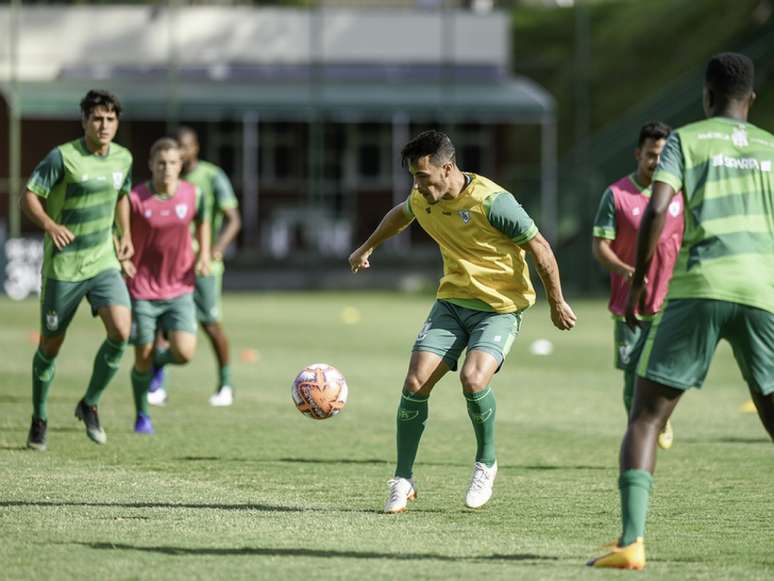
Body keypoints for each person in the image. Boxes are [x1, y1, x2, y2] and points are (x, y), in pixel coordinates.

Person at [588, 52, 774, 570]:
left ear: (707, 95)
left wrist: (642, 274)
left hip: (699, 286)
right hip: (764, 291)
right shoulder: (771, 147)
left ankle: (631, 543)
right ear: (750, 100)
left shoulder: (685, 141)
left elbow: (656, 205)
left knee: (647, 416)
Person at [349, 130, 577, 513]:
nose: (417, 186)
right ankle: (403, 479)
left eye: (423, 176)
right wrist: (366, 247)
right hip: (452, 303)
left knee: (473, 379)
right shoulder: (423, 198)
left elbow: (540, 246)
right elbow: (399, 216)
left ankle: (486, 464)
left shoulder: (494, 203)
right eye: (413, 178)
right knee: (415, 382)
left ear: (448, 168)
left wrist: (556, 301)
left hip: (499, 308)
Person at [22, 89, 133, 451]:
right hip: (65, 267)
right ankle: (39, 418)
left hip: (103, 262)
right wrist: (50, 225)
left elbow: (122, 197)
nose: (104, 125)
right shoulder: (63, 157)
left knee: (121, 330)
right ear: (84, 120)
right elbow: (29, 196)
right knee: (50, 347)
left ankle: (89, 403)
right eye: (97, 118)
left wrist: (125, 235)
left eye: (110, 119)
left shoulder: (123, 158)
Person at [592, 121, 683, 450]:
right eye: (650, 155)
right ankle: (641, 431)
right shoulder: (616, 195)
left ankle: (662, 417)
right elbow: (599, 247)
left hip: (671, 301)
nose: (655, 162)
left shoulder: (680, 195)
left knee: (666, 371)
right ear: (638, 154)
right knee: (632, 379)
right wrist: (627, 270)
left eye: (661, 155)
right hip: (628, 303)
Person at [146, 126, 241, 407]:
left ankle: (226, 384)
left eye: (185, 147)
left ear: (195, 148)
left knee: (210, 324)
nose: (180, 153)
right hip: (171, 265)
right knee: (162, 327)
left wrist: (217, 248)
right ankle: (157, 385)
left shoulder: (211, 176)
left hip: (203, 266)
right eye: (176, 148)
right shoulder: (166, 181)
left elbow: (234, 218)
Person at [121, 138, 210, 434]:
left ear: (180, 165)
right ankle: (142, 415)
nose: (167, 169)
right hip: (142, 289)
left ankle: (160, 361)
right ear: (151, 165)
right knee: (141, 359)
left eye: (173, 163)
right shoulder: (135, 199)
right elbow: (116, 230)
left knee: (184, 353)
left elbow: (203, 221)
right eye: (161, 163)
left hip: (180, 287)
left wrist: (205, 254)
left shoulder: (191, 194)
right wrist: (123, 257)